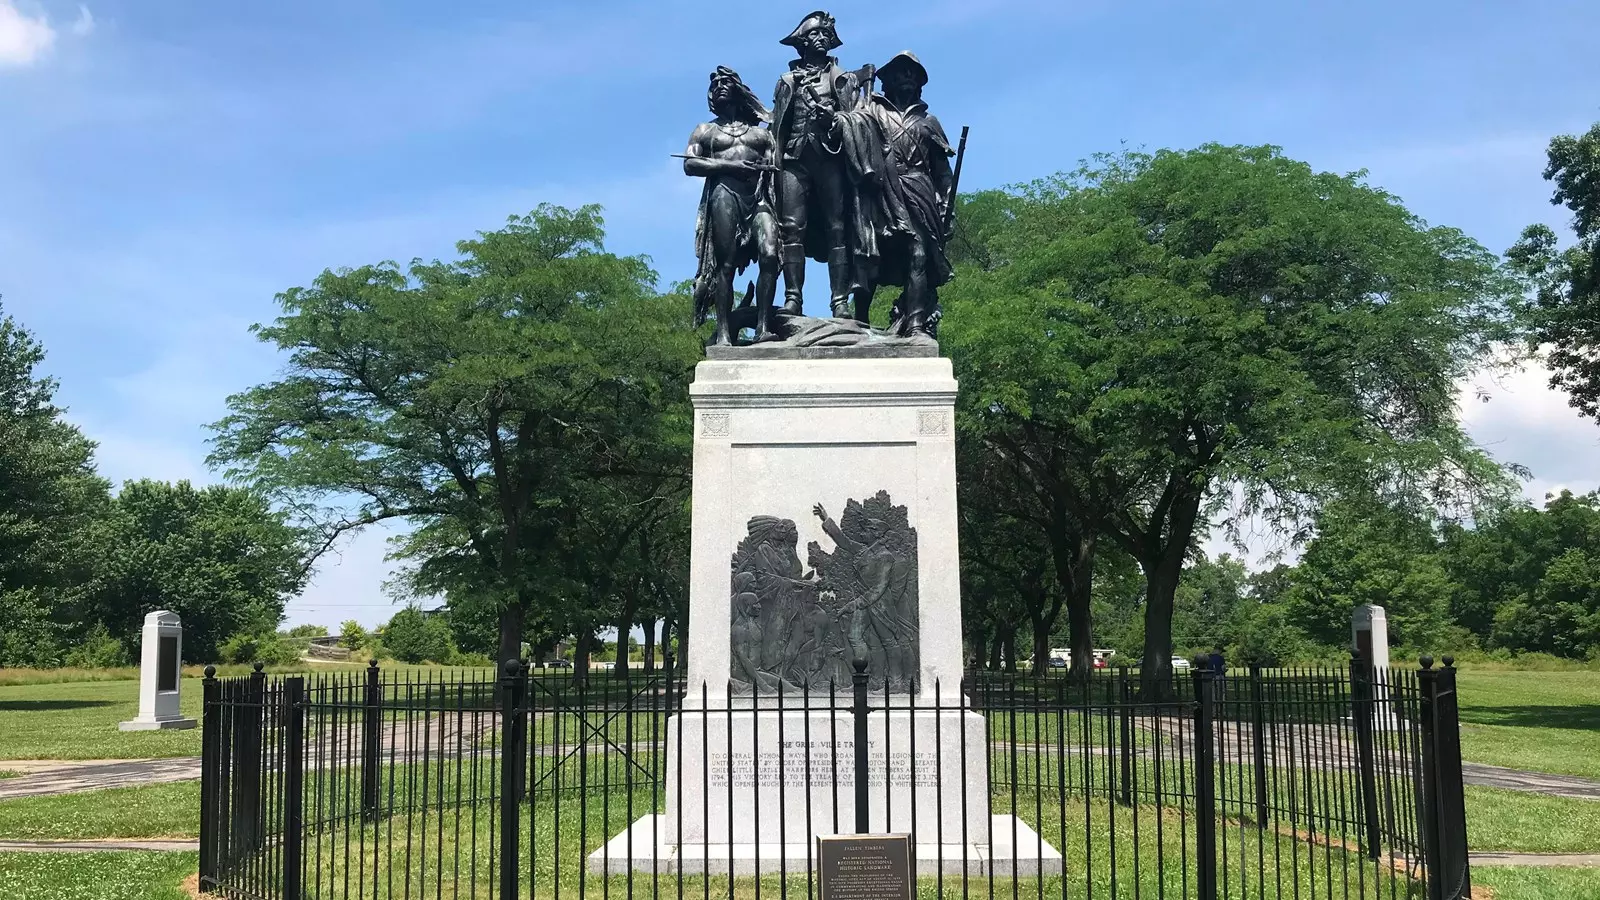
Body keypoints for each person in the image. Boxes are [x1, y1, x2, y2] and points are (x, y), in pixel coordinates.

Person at [770, 11, 909, 317]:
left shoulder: (842, 80)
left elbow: (861, 117)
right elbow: (777, 128)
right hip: (794, 160)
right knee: (792, 229)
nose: (823, 40)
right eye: (816, 35)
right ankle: (793, 297)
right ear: (803, 42)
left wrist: (835, 120)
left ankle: (839, 301)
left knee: (838, 228)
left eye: (826, 36)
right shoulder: (786, 81)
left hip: (831, 159)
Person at [683, 67, 781, 345]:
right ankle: (724, 333)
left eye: (726, 82)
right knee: (724, 266)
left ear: (739, 89)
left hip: (759, 197)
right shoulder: (705, 130)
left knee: (771, 254)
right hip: (724, 193)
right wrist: (730, 165)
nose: (719, 86)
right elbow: (690, 164)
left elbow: (776, 168)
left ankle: (763, 328)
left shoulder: (762, 135)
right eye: (714, 84)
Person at [863, 51, 955, 337]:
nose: (907, 76)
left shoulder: (929, 122)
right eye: (901, 71)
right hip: (880, 190)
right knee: (869, 254)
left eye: (912, 73)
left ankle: (915, 323)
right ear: (886, 79)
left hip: (919, 190)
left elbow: (943, 173)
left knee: (918, 254)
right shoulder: (872, 111)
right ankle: (858, 320)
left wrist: (947, 207)